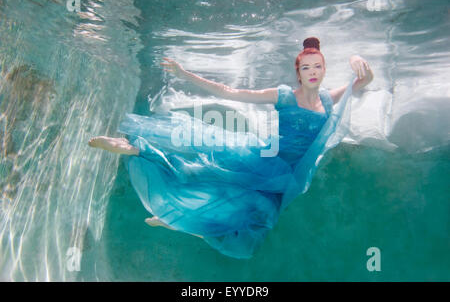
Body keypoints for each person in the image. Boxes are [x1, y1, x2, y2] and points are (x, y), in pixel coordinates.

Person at [88, 37, 373, 258]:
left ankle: (179, 221)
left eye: (318, 67)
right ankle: (138, 150)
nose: (313, 72)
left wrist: (356, 59)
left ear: (324, 70)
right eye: (306, 68)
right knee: (199, 177)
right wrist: (184, 73)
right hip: (265, 165)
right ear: (298, 72)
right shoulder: (285, 96)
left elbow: (362, 82)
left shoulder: (327, 99)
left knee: (244, 242)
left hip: (285, 181)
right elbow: (231, 93)